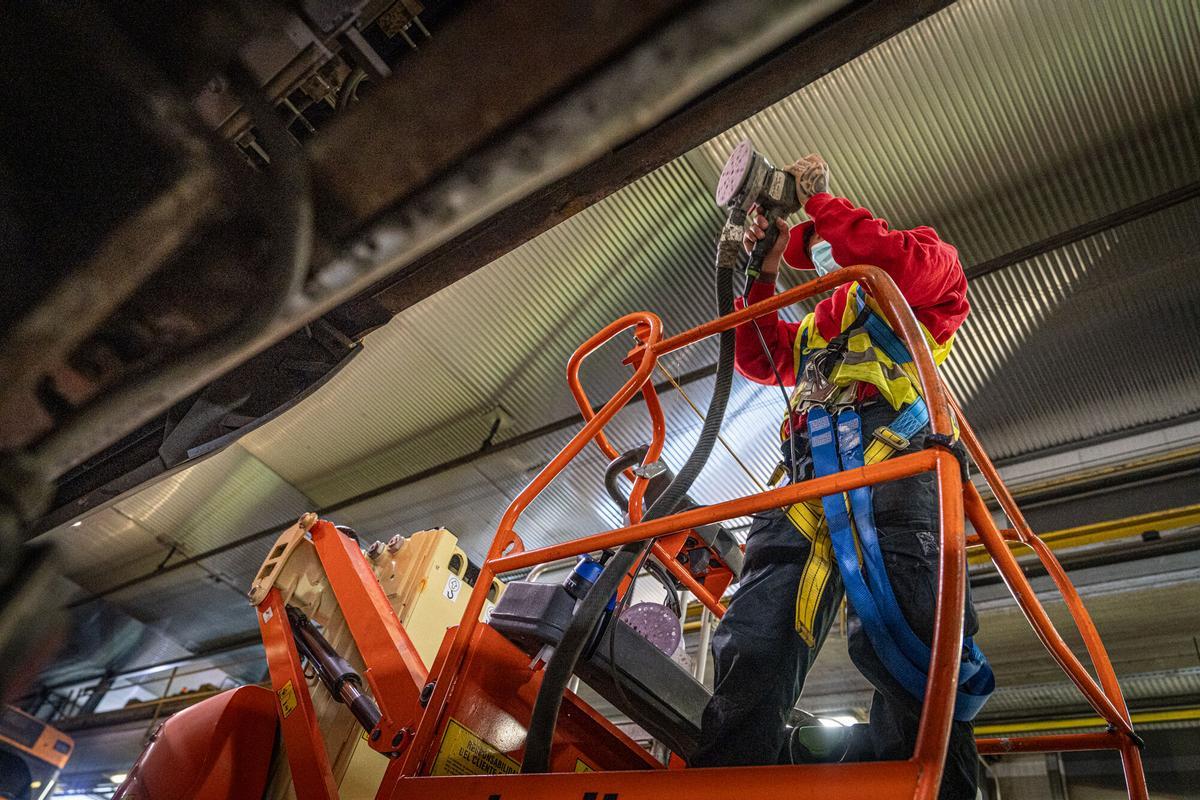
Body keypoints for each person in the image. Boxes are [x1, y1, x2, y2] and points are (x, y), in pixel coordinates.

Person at [692, 154, 982, 799]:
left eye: (834, 242)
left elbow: (892, 261)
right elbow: (756, 353)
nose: (829, 256)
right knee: (755, 640)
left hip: (894, 467)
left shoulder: (930, 277)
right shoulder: (821, 326)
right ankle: (724, 782)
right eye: (820, 246)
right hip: (806, 482)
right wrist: (765, 271)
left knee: (909, 644)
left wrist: (821, 202)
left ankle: (928, 786)